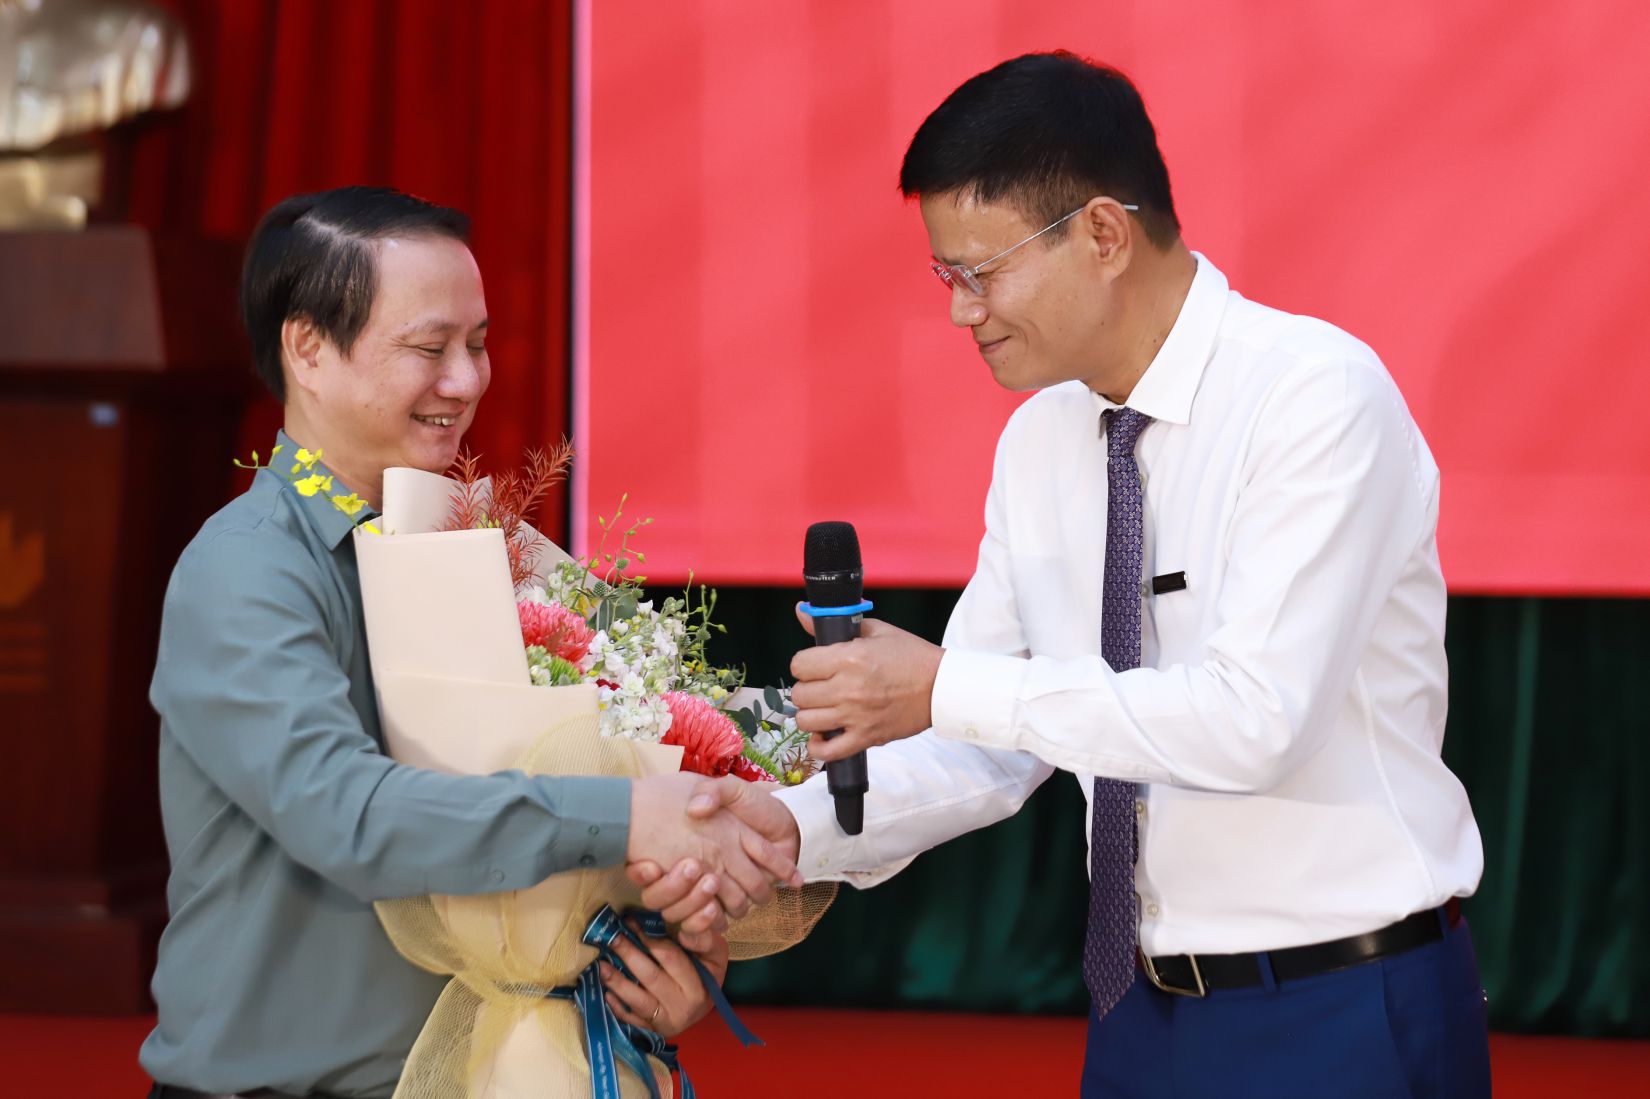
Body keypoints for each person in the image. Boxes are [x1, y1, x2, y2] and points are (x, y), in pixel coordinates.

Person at [643, 52, 1491, 1098]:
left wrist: (945, 685)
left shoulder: (1315, 398)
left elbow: (1255, 721)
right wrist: (794, 828)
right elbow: (993, 747)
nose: (961, 313)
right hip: (1137, 1012)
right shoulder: (1042, 440)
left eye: (980, 273)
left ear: (1102, 232)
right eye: (944, 276)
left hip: (1342, 1000)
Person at [142, 186, 799, 1099]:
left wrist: (668, 952)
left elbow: (644, 755)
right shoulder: (246, 572)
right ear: (308, 348)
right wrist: (627, 816)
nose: (467, 379)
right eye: (429, 348)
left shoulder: (502, 551)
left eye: (479, 344)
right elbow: (348, 814)